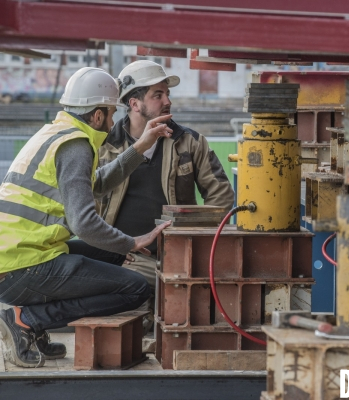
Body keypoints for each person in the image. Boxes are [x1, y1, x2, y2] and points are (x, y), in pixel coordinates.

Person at [0, 67, 173, 368]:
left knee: (112, 253)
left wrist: (140, 147)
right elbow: (84, 224)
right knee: (135, 288)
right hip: (21, 266)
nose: (112, 120)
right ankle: (27, 320)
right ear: (96, 116)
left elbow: (99, 183)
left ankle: (32, 326)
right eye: (110, 113)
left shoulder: (58, 133)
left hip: (21, 254)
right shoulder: (76, 146)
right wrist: (131, 242)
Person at [97, 60, 234, 291]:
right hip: (123, 258)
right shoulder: (105, 146)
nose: (168, 101)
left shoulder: (190, 143)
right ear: (135, 103)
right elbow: (86, 205)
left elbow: (221, 196)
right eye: (157, 95)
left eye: (167, 94)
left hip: (178, 255)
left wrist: (197, 246)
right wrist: (113, 249)